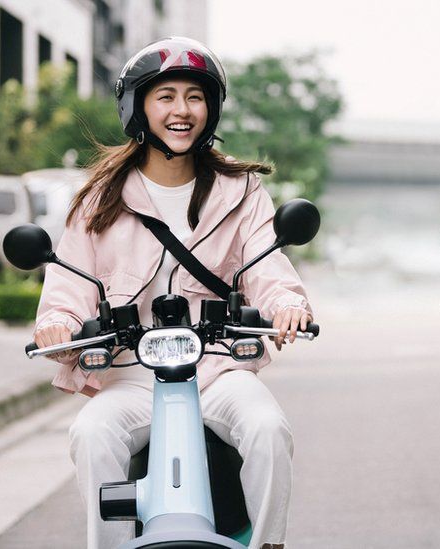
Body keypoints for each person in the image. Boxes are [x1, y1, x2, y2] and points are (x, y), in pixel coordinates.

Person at [32, 36, 311, 549]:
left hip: (216, 368)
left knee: (269, 427)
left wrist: (287, 304)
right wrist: (59, 324)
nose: (181, 110)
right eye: (165, 96)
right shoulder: (99, 197)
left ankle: (269, 544)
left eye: (194, 96)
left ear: (212, 108)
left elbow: (268, 263)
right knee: (91, 434)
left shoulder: (242, 192)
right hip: (131, 373)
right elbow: (69, 281)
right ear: (138, 106)